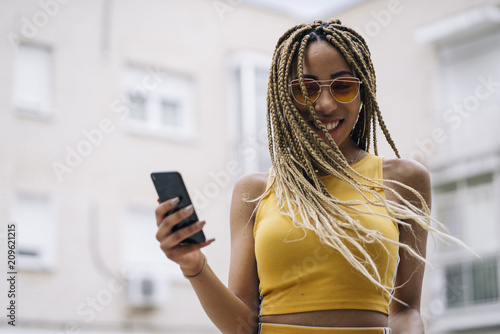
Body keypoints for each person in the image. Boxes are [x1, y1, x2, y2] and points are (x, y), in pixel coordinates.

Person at [155, 19, 449, 334]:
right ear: (285, 101)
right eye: (306, 89)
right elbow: (242, 327)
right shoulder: (254, 191)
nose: (324, 104)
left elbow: (405, 311)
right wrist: (194, 265)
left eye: (343, 86)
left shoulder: (405, 180)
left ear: (363, 93)